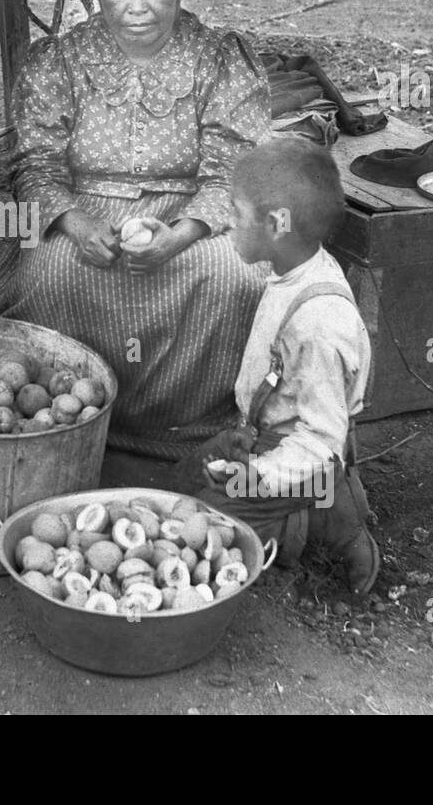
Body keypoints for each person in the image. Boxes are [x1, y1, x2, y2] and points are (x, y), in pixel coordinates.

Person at [0, 0, 271, 459]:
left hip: (197, 215)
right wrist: (73, 221)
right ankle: (71, 421)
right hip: (83, 213)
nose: (138, 7)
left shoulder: (217, 58)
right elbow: (35, 163)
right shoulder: (62, 59)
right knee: (49, 273)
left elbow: (235, 168)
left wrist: (182, 233)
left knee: (233, 278)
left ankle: (190, 432)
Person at [173, 139, 380, 594]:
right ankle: (322, 502)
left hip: (306, 456)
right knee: (187, 480)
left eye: (236, 210)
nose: (227, 219)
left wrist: (260, 476)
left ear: (277, 224)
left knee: (210, 525)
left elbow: (322, 437)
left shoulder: (318, 326)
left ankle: (323, 519)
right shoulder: (292, 267)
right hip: (269, 432)